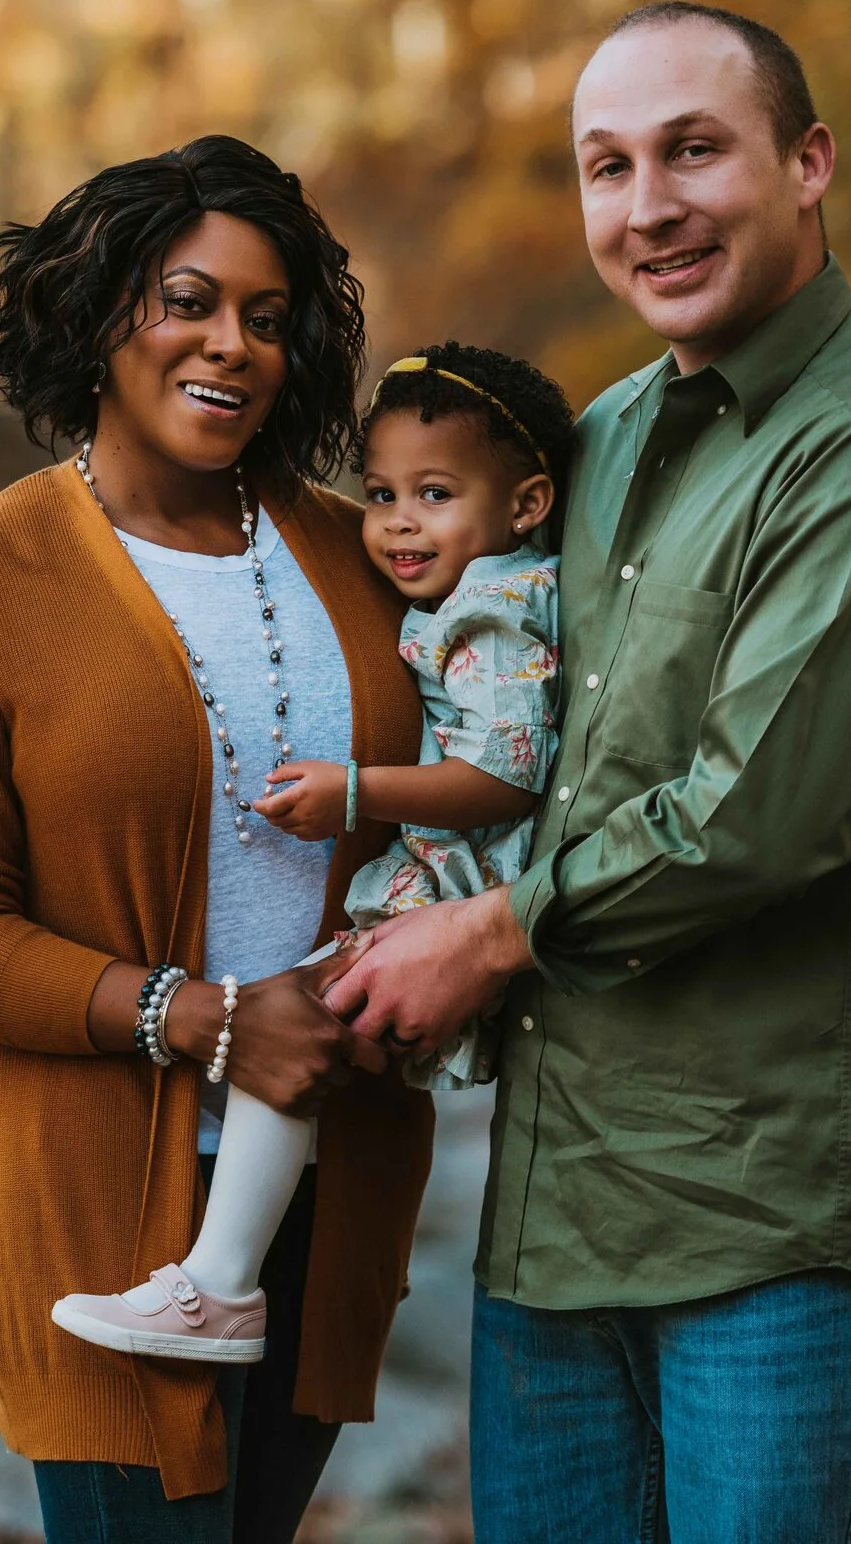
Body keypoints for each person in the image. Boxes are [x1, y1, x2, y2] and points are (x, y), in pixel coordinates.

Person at [325, 2, 851, 1542]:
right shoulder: (606, 440)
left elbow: (764, 813)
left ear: (809, 162)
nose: (649, 207)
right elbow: (501, 715)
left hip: (781, 1227)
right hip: (558, 1221)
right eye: (607, 167)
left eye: (694, 151)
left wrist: (487, 936)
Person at [0, 133, 433, 1544]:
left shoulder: (374, 561)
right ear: (101, 311)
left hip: (331, 1185)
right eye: (188, 301)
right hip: (107, 1213)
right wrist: (203, 1019)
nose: (230, 345)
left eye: (267, 318)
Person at [50, 342, 576, 1362]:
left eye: (433, 492)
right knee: (286, 1033)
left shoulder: (497, 617)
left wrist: (354, 792)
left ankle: (217, 1288)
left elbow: (505, 776)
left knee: (278, 1032)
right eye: (378, 493)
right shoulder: (485, 594)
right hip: (445, 883)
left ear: (525, 504)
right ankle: (223, 1279)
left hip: (457, 893)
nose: (396, 523)